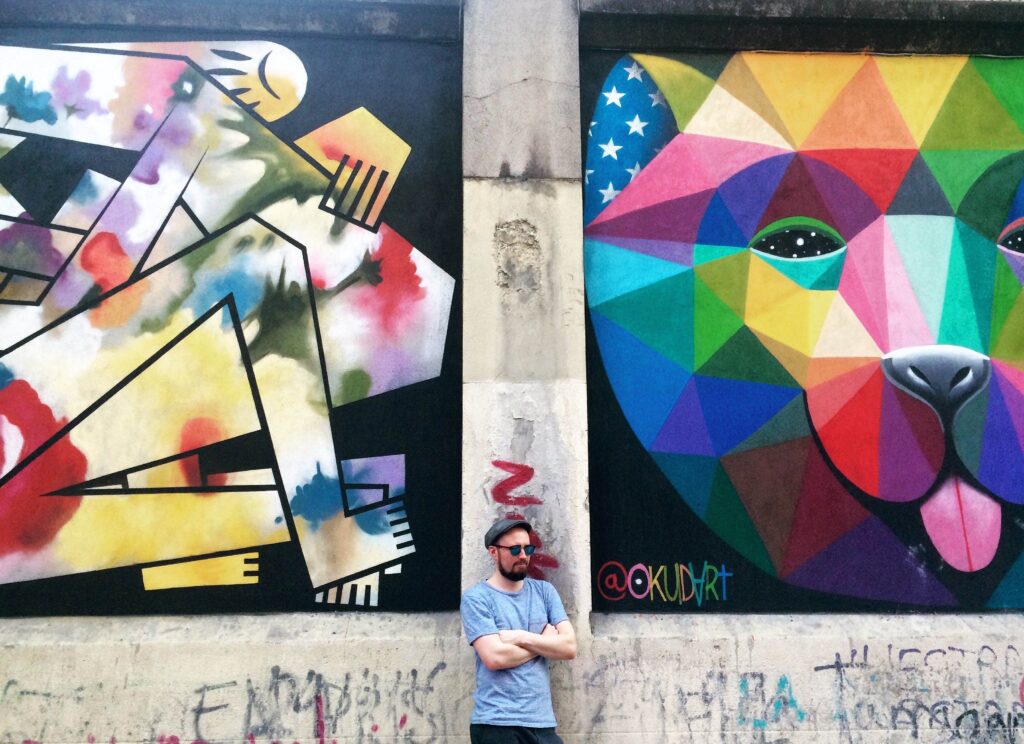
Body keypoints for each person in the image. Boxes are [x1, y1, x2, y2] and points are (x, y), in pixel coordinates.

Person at [460, 518, 577, 744]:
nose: (523, 555)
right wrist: (544, 643)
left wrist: (520, 637)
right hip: (497, 724)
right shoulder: (477, 599)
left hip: (542, 724)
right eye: (514, 549)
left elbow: (569, 648)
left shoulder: (545, 592)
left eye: (527, 548)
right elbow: (495, 657)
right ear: (494, 553)